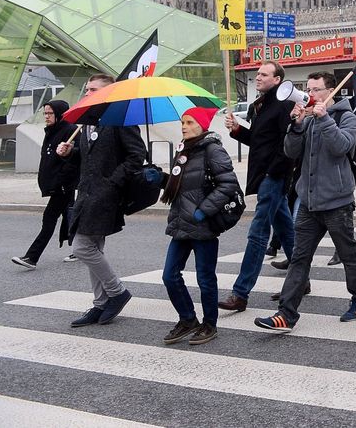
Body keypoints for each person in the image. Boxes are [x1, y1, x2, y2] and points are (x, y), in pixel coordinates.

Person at [254, 72, 356, 332]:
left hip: (337, 201)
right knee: (299, 257)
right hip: (308, 201)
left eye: (316, 90)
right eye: (308, 89)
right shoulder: (306, 119)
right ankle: (286, 313)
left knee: (348, 254)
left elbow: (342, 146)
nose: (310, 94)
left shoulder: (345, 117)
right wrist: (296, 125)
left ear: (330, 92)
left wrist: (324, 118)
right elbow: (291, 152)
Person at [155, 107, 241, 346]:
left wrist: (204, 210)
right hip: (182, 224)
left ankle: (209, 324)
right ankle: (188, 319)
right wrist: (160, 178)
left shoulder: (212, 150)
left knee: (205, 279)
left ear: (202, 125)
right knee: (169, 276)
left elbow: (228, 184)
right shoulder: (184, 149)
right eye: (182, 122)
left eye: (189, 122)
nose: (184, 126)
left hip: (203, 226)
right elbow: (180, 186)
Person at [66, 73, 146, 327]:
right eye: (87, 89)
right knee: (93, 248)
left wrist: (113, 182)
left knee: (81, 247)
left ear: (107, 93)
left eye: (93, 90)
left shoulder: (120, 121)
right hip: (86, 193)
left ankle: (117, 292)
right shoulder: (88, 121)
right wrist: (70, 152)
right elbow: (88, 158)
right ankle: (100, 304)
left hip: (105, 195)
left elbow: (137, 155)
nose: (87, 93)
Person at [219, 61, 295, 314]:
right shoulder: (261, 105)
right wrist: (238, 130)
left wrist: (273, 174)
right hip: (265, 175)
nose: (258, 77)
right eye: (258, 73)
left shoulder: (284, 105)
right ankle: (301, 277)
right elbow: (259, 141)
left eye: (264, 74)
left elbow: (288, 145)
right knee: (284, 226)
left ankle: (241, 293)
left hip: (273, 177)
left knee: (258, 232)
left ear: (277, 80)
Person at [12, 99, 79, 270]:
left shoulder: (71, 131)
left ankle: (32, 257)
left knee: (49, 218)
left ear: (59, 114)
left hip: (63, 185)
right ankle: (81, 248)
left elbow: (75, 161)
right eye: (45, 113)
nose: (46, 117)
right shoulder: (51, 131)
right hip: (56, 184)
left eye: (50, 113)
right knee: (71, 216)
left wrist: (62, 181)